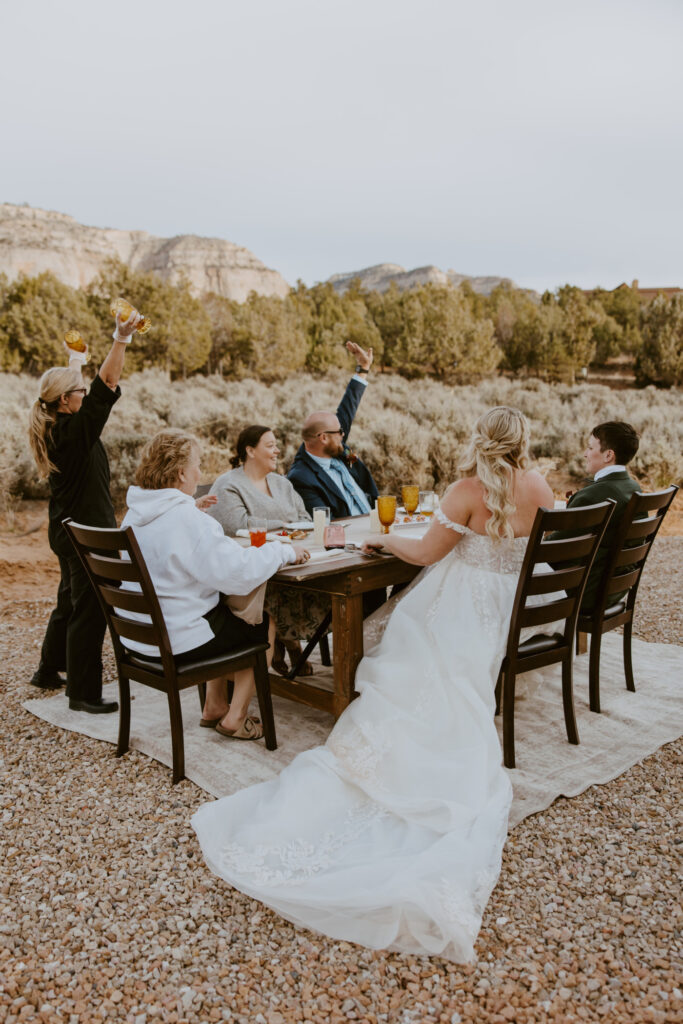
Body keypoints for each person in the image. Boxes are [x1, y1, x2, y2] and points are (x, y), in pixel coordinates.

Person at [192, 407, 555, 960]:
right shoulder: (539, 486)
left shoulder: (465, 490)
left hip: (466, 607)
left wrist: (387, 545)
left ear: (480, 439)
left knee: (405, 628)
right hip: (509, 607)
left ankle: (360, 705)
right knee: (407, 627)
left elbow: (428, 553)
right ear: (523, 440)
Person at [120, 429, 311, 739]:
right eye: (196, 464)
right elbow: (237, 572)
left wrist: (191, 511)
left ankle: (214, 705)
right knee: (263, 626)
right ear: (181, 472)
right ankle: (235, 718)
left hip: (140, 640)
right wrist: (284, 551)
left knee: (226, 612)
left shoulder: (135, 515)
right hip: (178, 642)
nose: (200, 471)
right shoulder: (185, 520)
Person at [28, 310, 143, 712]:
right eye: (78, 390)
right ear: (66, 401)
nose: (85, 394)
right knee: (89, 611)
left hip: (66, 530)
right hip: (86, 535)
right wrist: (121, 338)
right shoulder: (75, 432)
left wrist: (75, 358)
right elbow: (107, 383)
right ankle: (83, 693)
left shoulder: (57, 425)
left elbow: (81, 387)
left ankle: (48, 669)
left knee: (69, 601)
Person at [208, 426, 326, 677]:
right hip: (252, 569)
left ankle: (288, 641)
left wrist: (287, 528)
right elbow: (237, 525)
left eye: (276, 445)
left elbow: (304, 517)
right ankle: (290, 643)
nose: (277, 450)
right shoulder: (228, 485)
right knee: (273, 591)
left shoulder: (282, 483)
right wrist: (285, 525)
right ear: (250, 450)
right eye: (270, 445)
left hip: (294, 559)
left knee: (328, 584)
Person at [551, 421, 640, 610]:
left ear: (608, 455)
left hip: (586, 593)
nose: (585, 453)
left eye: (590, 447)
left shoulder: (592, 496)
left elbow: (554, 551)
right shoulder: (633, 488)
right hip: (615, 589)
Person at [287, 341, 379, 518]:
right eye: (340, 433)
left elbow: (347, 409)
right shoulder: (302, 478)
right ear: (323, 438)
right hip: (354, 538)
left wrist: (363, 368)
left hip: (379, 522)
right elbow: (327, 525)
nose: (343, 435)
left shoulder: (330, 446)